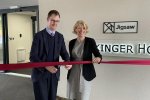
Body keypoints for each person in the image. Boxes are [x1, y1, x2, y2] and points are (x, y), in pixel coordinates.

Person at [30, 10, 72, 100]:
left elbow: (64, 52)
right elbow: (32, 57)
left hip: (54, 74)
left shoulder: (60, 37)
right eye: (53, 20)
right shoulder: (38, 36)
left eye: (57, 21)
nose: (55, 23)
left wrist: (68, 61)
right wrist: (46, 65)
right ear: (47, 19)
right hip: (40, 74)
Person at [67, 20, 102, 100]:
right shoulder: (71, 42)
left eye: (84, 28)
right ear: (75, 29)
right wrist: (67, 63)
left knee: (84, 97)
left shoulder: (90, 41)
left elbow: (98, 54)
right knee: (74, 97)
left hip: (85, 73)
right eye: (79, 28)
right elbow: (70, 58)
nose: (82, 30)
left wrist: (98, 58)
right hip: (73, 73)